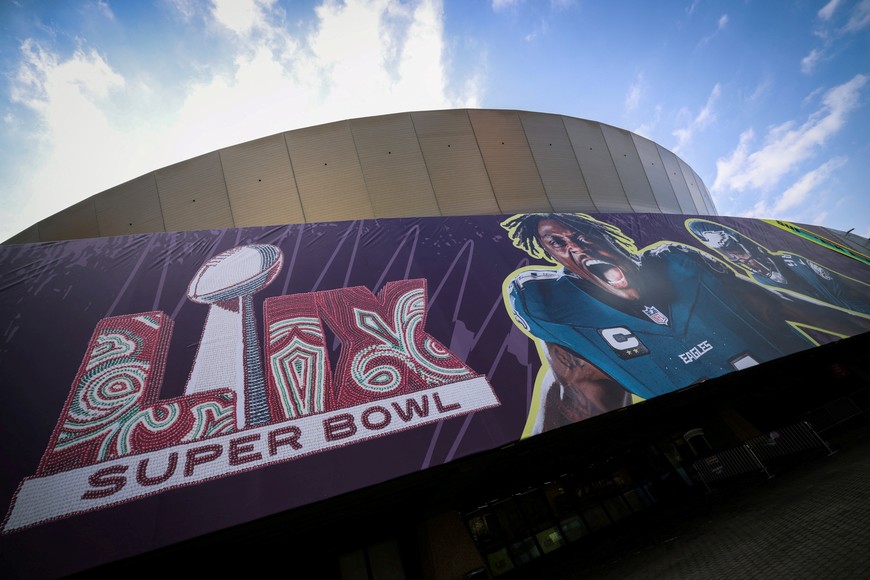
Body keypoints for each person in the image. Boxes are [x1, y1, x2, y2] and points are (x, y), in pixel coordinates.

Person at [501, 213, 870, 435]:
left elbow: (777, 305)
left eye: (580, 235)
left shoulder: (678, 263)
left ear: (603, 236)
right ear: (551, 255)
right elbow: (574, 394)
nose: (576, 247)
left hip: (801, 382)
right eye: (558, 243)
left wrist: (856, 323)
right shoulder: (557, 310)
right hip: (717, 424)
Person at [686, 218, 870, 316]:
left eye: (733, 248)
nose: (737, 257)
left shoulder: (792, 260)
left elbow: (849, 285)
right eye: (729, 254)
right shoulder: (758, 280)